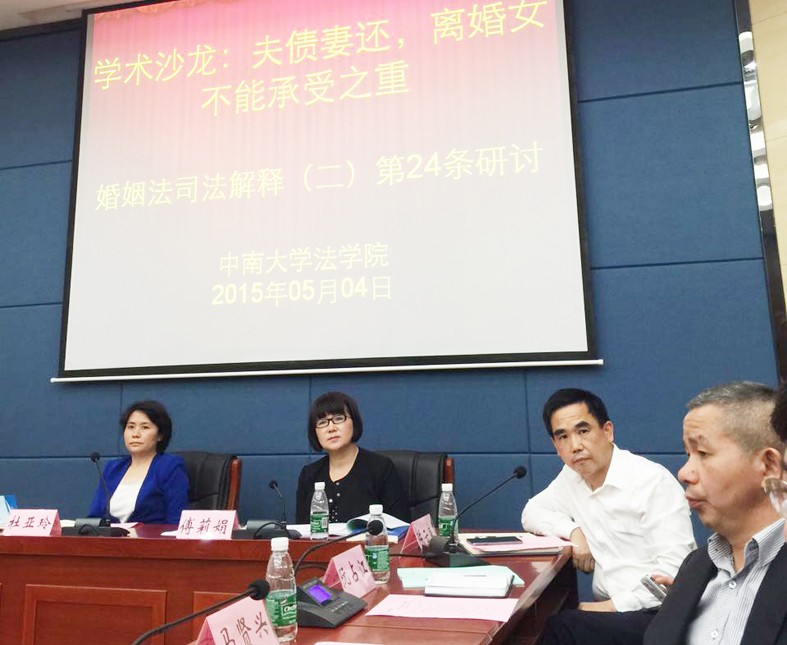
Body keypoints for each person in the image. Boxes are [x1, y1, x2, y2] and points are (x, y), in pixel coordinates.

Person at [523, 388, 696, 644]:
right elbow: (532, 512)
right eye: (563, 437)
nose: (575, 446)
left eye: (583, 431)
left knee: (563, 627)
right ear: (556, 446)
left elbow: (675, 571)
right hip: (614, 614)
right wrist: (574, 532)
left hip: (660, 613)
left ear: (607, 431)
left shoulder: (651, 481)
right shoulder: (572, 477)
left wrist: (612, 606)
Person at [644, 381, 787, 645]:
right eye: (688, 454)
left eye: (703, 453)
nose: (684, 473)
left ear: (768, 465)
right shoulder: (695, 566)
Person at [295, 391, 410, 524]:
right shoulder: (309, 475)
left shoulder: (380, 468)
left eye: (338, 419)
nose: (331, 428)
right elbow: (301, 530)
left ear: (354, 422)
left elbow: (400, 526)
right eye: (322, 422)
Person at [87, 400, 189, 524]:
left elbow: (176, 521)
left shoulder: (169, 467)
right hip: (110, 536)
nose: (135, 434)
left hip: (152, 536)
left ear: (160, 435)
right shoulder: (113, 468)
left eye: (145, 427)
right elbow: (94, 518)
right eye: (130, 427)